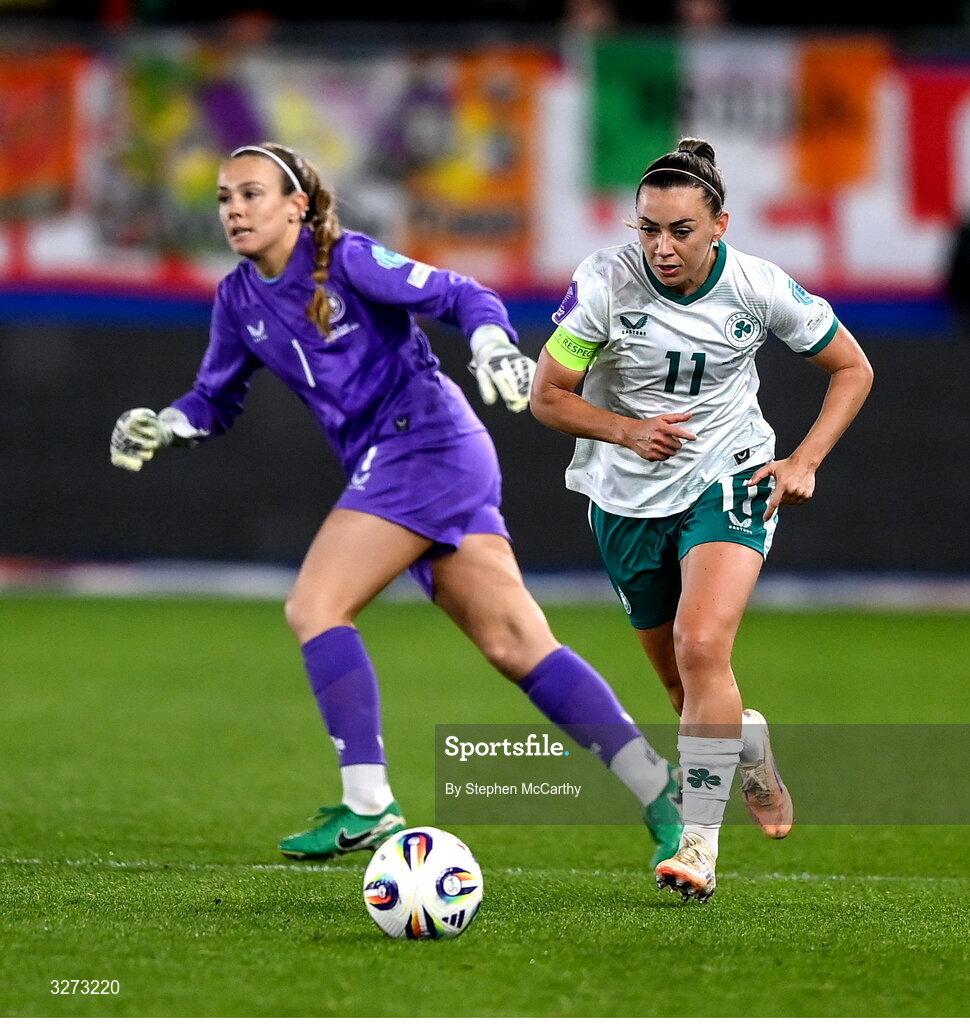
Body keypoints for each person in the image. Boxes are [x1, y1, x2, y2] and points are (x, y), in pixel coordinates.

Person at [109, 141, 684, 867]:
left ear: (297, 205)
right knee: (516, 644)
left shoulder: (347, 260)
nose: (233, 210)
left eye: (251, 194)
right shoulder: (238, 299)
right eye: (224, 198)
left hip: (428, 444)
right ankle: (657, 786)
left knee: (315, 605)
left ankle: (369, 805)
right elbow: (214, 398)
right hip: (412, 461)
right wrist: (164, 425)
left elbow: (465, 295)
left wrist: (493, 349)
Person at [530, 138, 873, 903]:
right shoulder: (604, 287)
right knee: (688, 694)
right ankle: (746, 743)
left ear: (719, 224)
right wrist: (626, 431)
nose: (660, 247)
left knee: (701, 642)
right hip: (625, 497)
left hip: (731, 474)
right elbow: (547, 395)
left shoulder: (757, 286)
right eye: (647, 229)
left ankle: (699, 844)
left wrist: (804, 460)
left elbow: (854, 368)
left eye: (679, 230)